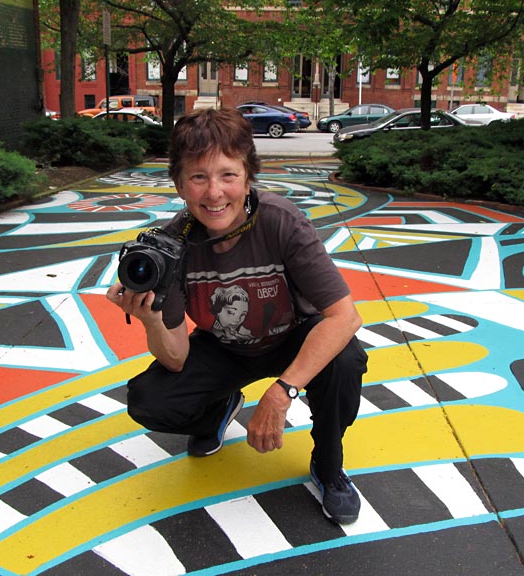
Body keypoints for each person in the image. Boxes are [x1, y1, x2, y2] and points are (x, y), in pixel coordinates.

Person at [106, 108, 367, 525]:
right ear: (179, 185)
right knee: (150, 400)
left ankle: (329, 465)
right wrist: (150, 318)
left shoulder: (281, 222)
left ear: (248, 178)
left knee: (345, 359)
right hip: (225, 346)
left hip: (292, 336)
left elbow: (344, 317)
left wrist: (282, 392)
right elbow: (175, 357)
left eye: (228, 175)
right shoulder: (172, 246)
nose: (214, 193)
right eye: (198, 177)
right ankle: (219, 409)